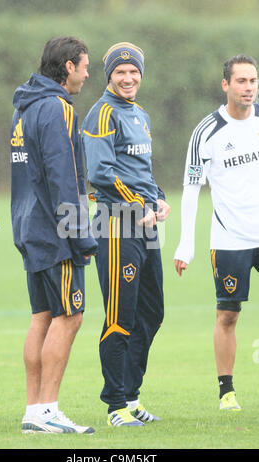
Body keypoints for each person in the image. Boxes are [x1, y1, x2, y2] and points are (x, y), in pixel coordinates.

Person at [10, 36, 98, 434]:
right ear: (68, 67)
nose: (87, 72)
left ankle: (33, 411)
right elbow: (65, 179)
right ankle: (47, 411)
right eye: (84, 65)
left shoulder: (23, 107)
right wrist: (81, 235)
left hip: (29, 227)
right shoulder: (58, 108)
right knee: (70, 316)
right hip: (57, 233)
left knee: (42, 317)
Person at [82, 42, 170, 427]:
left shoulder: (140, 114)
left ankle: (132, 398)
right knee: (120, 316)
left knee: (152, 312)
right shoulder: (102, 113)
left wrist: (160, 200)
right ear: (109, 76)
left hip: (146, 226)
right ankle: (116, 405)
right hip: (117, 224)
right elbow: (100, 175)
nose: (128, 78)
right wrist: (141, 206)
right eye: (121, 72)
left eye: (134, 71)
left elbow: (143, 173)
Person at [174, 54, 259, 411]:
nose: (248, 88)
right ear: (226, 85)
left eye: (253, 81)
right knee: (228, 314)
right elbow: (191, 188)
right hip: (230, 239)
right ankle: (227, 391)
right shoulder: (206, 132)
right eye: (241, 81)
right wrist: (186, 243)